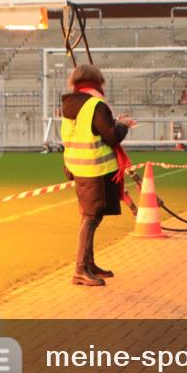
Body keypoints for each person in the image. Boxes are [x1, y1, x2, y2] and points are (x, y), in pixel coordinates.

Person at [61, 64, 135, 287]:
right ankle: (80, 270)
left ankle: (89, 264)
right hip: (96, 170)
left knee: (90, 217)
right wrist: (122, 125)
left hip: (77, 167)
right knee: (91, 218)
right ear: (97, 82)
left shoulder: (69, 105)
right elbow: (111, 137)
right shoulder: (96, 105)